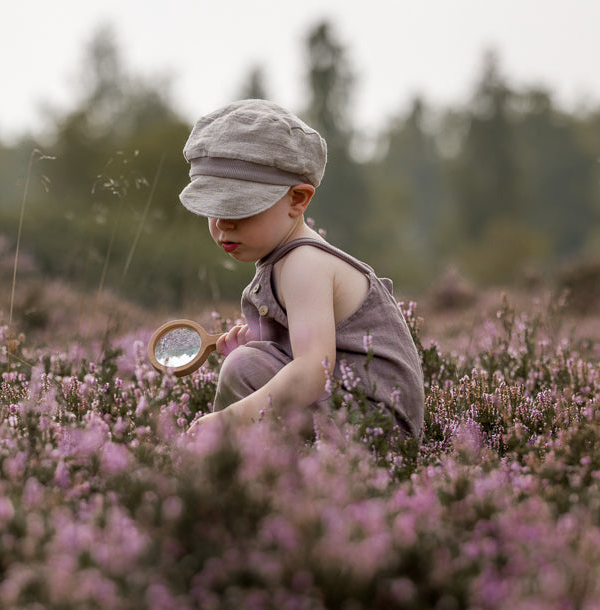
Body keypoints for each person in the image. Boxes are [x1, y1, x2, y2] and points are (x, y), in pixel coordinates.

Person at [178, 100, 424, 439]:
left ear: (297, 199)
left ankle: (224, 466)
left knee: (242, 367)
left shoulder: (303, 265)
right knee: (249, 360)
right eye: (212, 209)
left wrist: (229, 420)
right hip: (356, 414)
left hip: (376, 430)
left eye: (238, 209)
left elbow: (313, 372)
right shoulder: (285, 257)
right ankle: (243, 471)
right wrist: (268, 343)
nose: (222, 224)